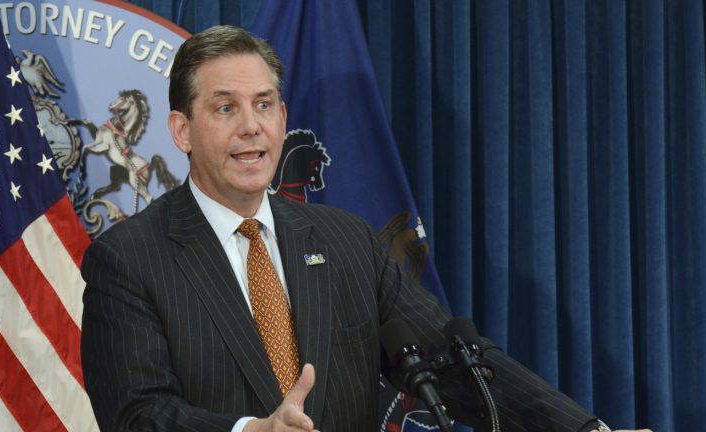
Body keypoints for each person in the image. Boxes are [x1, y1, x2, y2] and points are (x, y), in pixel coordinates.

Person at [80, 25, 651, 432]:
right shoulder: (129, 258)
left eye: (265, 105)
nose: (251, 127)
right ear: (182, 130)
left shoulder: (347, 241)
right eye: (226, 108)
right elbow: (137, 413)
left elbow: (456, 362)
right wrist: (248, 430)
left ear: (283, 118)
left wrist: (585, 430)